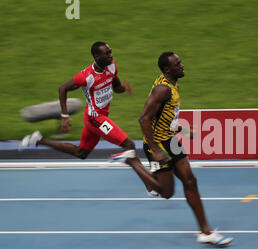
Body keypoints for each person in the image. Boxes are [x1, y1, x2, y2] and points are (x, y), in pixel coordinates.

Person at [19, 41, 162, 193]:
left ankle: (38, 140)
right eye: (107, 53)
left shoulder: (111, 66)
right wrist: (65, 115)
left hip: (96, 118)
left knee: (81, 153)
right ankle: (149, 185)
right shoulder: (86, 77)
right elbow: (63, 88)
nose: (111, 55)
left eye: (110, 52)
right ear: (96, 56)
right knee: (129, 145)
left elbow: (116, 87)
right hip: (95, 119)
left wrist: (124, 88)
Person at [133, 51, 233, 246]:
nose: (182, 66)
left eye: (181, 62)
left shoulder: (172, 85)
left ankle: (206, 232)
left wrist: (182, 129)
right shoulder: (162, 90)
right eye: (178, 64)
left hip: (170, 140)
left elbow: (163, 117)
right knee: (166, 192)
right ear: (167, 69)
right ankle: (132, 162)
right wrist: (154, 150)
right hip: (158, 145)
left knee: (190, 181)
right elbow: (143, 118)